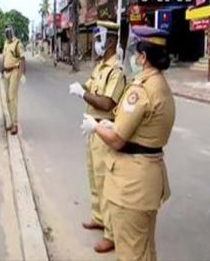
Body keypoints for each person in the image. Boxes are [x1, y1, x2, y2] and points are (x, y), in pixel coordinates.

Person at [80, 26, 176, 261]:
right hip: (148, 176)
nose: (132, 56)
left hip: (133, 185)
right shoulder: (160, 85)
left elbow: (117, 139)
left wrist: (97, 126)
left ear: (143, 57)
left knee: (131, 252)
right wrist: (114, 126)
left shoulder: (140, 90)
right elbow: (141, 129)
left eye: (136, 52)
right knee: (144, 250)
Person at [69, 21, 126, 253]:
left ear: (110, 41)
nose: (95, 43)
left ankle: (111, 234)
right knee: (94, 177)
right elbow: (90, 87)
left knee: (106, 183)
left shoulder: (116, 71)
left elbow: (106, 102)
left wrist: (84, 93)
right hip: (93, 128)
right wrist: (81, 88)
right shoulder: (101, 67)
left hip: (105, 129)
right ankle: (98, 217)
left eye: (99, 39)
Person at [1, 26, 26, 135]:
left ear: (13, 33)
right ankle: (11, 122)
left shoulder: (17, 44)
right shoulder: (6, 43)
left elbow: (22, 59)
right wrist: (1, 69)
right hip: (5, 73)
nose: (8, 35)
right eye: (6, 33)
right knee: (7, 99)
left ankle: (15, 124)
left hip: (14, 71)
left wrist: (22, 74)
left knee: (12, 97)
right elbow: (4, 56)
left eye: (9, 33)